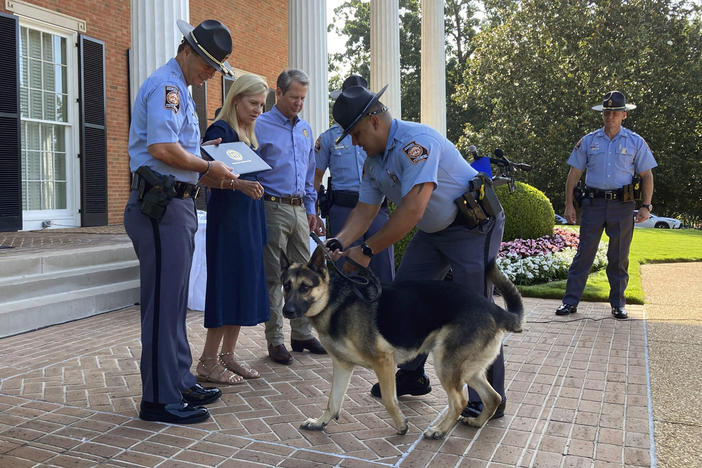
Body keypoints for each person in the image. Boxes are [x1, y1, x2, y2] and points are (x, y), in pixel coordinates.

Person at [325, 83, 508, 420]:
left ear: (375, 121)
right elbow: (365, 211)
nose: (353, 141)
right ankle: (412, 375)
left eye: (356, 132)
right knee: (405, 297)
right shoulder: (373, 161)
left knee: (475, 309)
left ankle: (489, 398)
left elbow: (412, 209)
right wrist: (338, 241)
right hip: (433, 232)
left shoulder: (416, 143)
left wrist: (367, 249)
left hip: (472, 226)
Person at [124, 19, 240, 425]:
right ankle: (158, 398)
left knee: (173, 304)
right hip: (160, 205)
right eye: (208, 63)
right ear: (187, 50)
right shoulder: (168, 87)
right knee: (162, 305)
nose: (211, 73)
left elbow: (182, 152)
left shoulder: (183, 91)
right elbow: (162, 148)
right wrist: (210, 164)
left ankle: (178, 379)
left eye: (216, 67)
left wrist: (210, 162)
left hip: (178, 204)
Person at [556, 90, 656, 320]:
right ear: (603, 114)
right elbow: (574, 174)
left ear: (624, 115)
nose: (610, 116)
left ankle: (618, 304)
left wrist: (646, 206)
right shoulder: (589, 141)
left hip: (622, 206)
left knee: (619, 256)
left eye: (615, 112)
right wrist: (569, 204)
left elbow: (647, 176)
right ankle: (569, 302)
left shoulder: (635, 142)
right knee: (584, 254)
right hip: (593, 204)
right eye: (606, 112)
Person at [197, 74, 269, 385]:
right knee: (227, 286)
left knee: (242, 285)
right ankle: (208, 361)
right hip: (228, 223)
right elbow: (205, 176)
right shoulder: (220, 131)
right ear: (236, 99)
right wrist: (237, 184)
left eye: (262, 105)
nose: (258, 110)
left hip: (249, 220)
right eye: (253, 103)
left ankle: (228, 356)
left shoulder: (247, 134)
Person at [254, 69, 326, 365]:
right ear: (279, 93)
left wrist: (311, 209)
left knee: (306, 274)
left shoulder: (306, 129)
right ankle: (275, 340)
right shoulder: (260, 125)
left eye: (303, 98)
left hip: (299, 209)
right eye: (294, 97)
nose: (299, 103)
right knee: (275, 276)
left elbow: (310, 176)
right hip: (271, 206)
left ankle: (302, 334)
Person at [314, 74, 395, 283]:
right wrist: (312, 212)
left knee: (383, 269)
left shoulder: (381, 133)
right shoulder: (328, 137)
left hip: (377, 208)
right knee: (344, 272)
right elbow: (316, 177)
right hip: (344, 208)